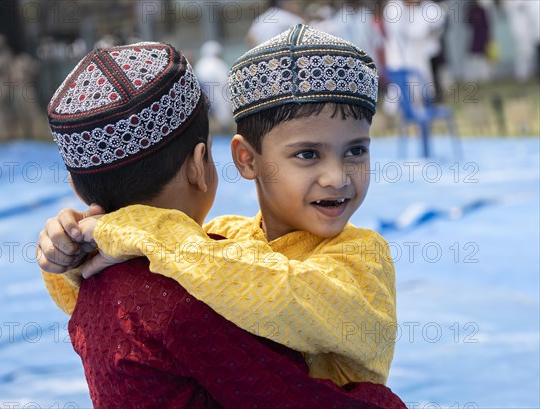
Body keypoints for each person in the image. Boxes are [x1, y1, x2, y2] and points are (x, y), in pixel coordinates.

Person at [43, 40, 406, 408]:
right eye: (308, 154)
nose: (337, 176)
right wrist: (72, 253)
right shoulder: (219, 239)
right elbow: (117, 291)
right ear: (246, 159)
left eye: (356, 150)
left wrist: (137, 229)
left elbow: (283, 295)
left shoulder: (362, 256)